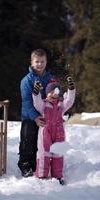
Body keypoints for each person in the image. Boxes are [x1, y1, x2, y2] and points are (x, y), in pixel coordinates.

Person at [18, 48, 57, 177]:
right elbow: (27, 101)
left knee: (42, 141)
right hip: (29, 116)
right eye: (37, 62)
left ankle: (39, 162)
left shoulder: (51, 78)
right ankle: (25, 164)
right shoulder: (26, 81)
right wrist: (35, 117)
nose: (40, 64)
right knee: (28, 138)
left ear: (46, 62)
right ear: (31, 62)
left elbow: (55, 94)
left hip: (47, 115)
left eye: (42, 61)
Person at [32, 76, 76, 185]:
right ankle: (41, 175)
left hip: (59, 133)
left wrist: (71, 89)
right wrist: (36, 92)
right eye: (50, 92)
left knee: (58, 153)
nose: (53, 94)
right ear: (46, 94)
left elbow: (70, 101)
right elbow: (36, 103)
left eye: (55, 92)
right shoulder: (43, 104)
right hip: (45, 132)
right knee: (44, 153)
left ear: (58, 93)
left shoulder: (62, 105)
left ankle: (57, 176)